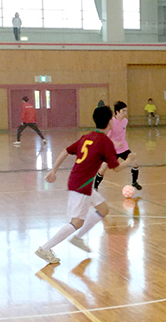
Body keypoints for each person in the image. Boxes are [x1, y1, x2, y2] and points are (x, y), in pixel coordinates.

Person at [36, 105, 136, 264]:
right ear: (110, 122)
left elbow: (65, 151)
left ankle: (78, 238)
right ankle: (45, 248)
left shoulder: (87, 137)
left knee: (103, 209)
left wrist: (54, 170)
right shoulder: (105, 142)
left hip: (80, 182)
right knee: (77, 222)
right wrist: (129, 161)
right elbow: (116, 168)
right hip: (81, 186)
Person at [93, 101, 142, 192]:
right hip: (111, 150)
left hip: (123, 149)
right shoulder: (111, 123)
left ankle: (134, 182)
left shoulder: (125, 121)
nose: (125, 113)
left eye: (126, 111)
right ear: (117, 112)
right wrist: (115, 143)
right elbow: (105, 138)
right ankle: (95, 187)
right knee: (103, 169)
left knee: (135, 163)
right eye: (123, 111)